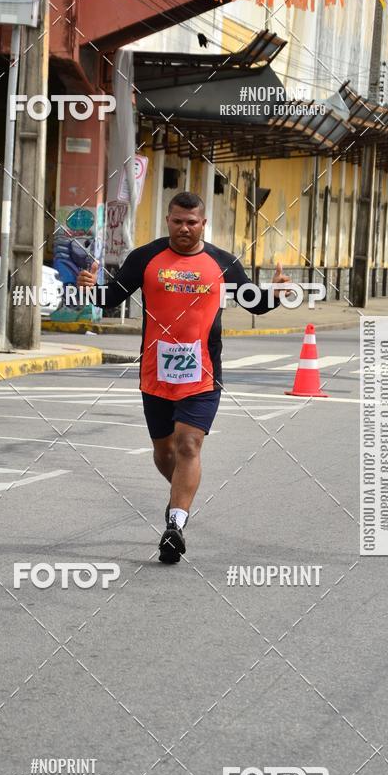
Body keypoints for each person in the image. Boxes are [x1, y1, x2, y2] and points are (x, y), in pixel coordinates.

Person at [77, 191, 290, 564]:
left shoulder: (222, 263)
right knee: (164, 452)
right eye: (177, 221)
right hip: (154, 373)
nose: (184, 229)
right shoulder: (145, 257)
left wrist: (276, 294)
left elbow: (254, 301)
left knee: (189, 444)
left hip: (203, 374)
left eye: (192, 222)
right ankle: (181, 494)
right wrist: (88, 288)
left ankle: (175, 524)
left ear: (203, 223)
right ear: (168, 220)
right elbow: (111, 297)